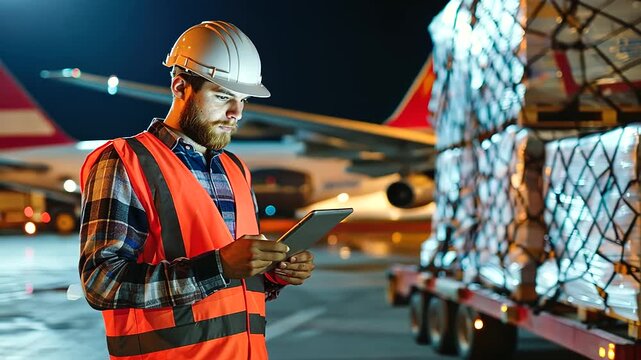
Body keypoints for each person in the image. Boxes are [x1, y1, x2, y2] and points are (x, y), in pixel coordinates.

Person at [78, 21, 315, 360]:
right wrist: (218, 266)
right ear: (180, 88)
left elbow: (231, 282)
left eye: (243, 100)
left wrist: (273, 273)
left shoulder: (236, 170)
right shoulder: (124, 161)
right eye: (223, 97)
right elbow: (101, 283)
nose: (236, 113)